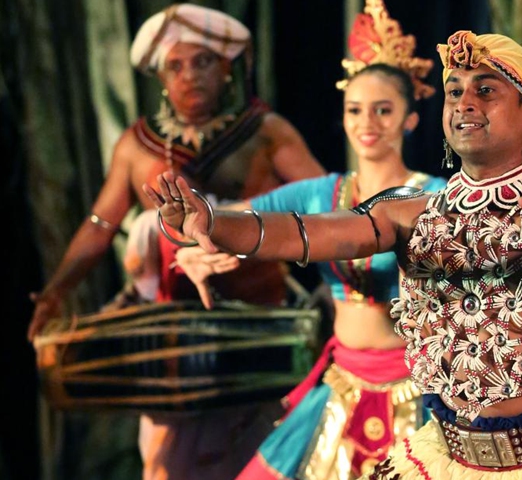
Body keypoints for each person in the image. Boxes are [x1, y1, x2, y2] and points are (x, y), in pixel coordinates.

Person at [146, 30, 522, 479]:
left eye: (486, 90)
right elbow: (309, 234)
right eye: (455, 92)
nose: (465, 102)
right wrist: (214, 224)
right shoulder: (407, 211)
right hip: (445, 459)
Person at [28, 4, 325, 480]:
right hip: (171, 349)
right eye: (176, 66)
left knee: (262, 464)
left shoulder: (266, 134)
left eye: (203, 61)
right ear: (161, 78)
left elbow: (325, 207)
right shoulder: (136, 145)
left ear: (228, 68)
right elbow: (100, 225)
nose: (190, 76)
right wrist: (56, 292)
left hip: (261, 333)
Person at [174, 2, 446, 477]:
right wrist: (193, 245)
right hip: (342, 386)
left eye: (384, 110)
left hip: (420, 392)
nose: (368, 123)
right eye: (355, 110)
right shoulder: (323, 195)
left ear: (410, 119)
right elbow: (225, 220)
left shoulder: (438, 198)